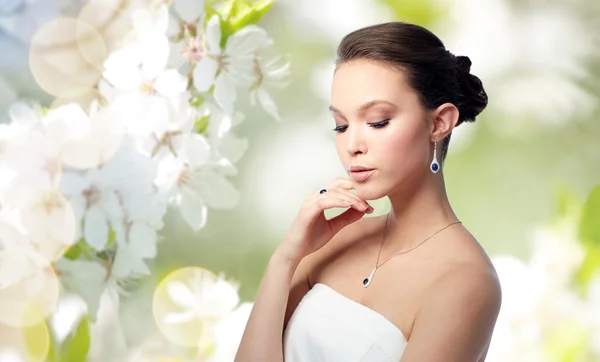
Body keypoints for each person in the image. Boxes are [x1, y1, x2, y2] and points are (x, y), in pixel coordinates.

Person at [234, 21, 501, 362]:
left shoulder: (466, 280)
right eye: (341, 125)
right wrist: (285, 258)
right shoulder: (331, 241)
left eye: (377, 121)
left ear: (439, 123)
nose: (352, 146)